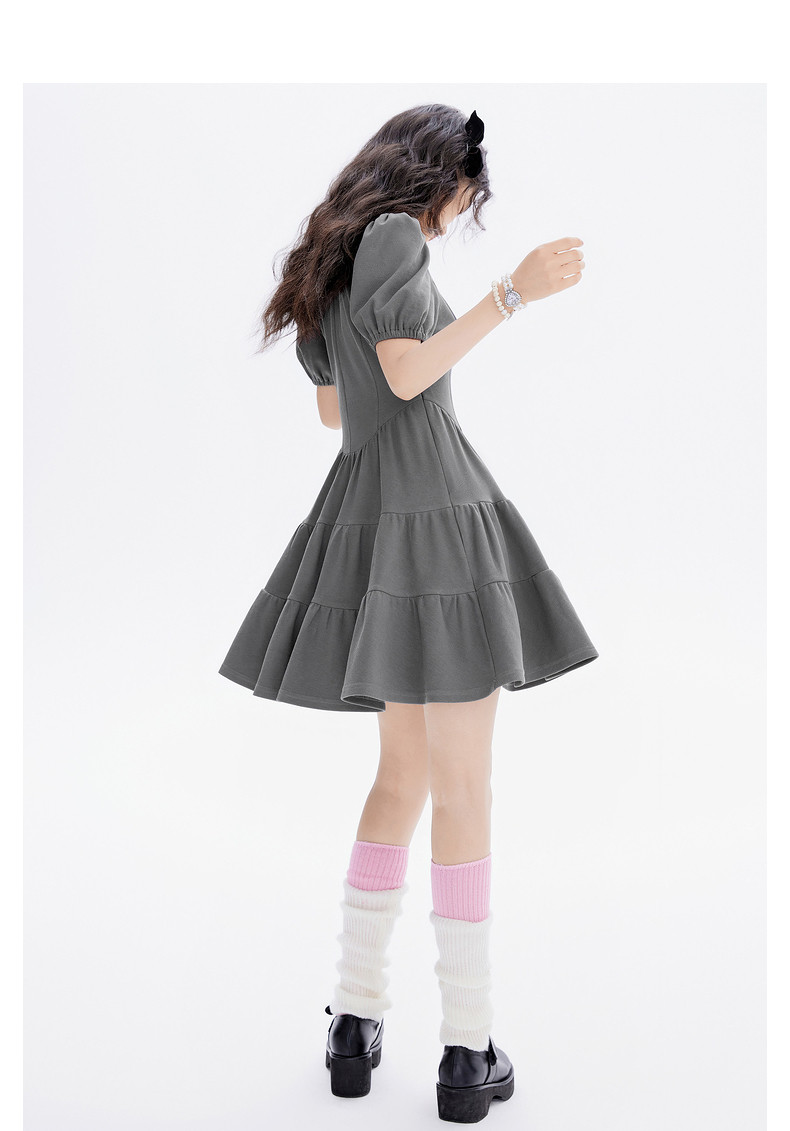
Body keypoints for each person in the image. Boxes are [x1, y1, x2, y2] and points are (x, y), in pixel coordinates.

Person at [218, 103, 598, 1123]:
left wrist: (410, 338)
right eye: (469, 193)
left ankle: (354, 1017)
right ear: (442, 176)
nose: (465, 210)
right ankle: (468, 1046)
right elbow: (403, 371)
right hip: (434, 512)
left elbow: (336, 408)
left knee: (402, 776)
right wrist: (513, 292)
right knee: (462, 783)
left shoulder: (335, 259)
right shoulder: (393, 237)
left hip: (373, 511)